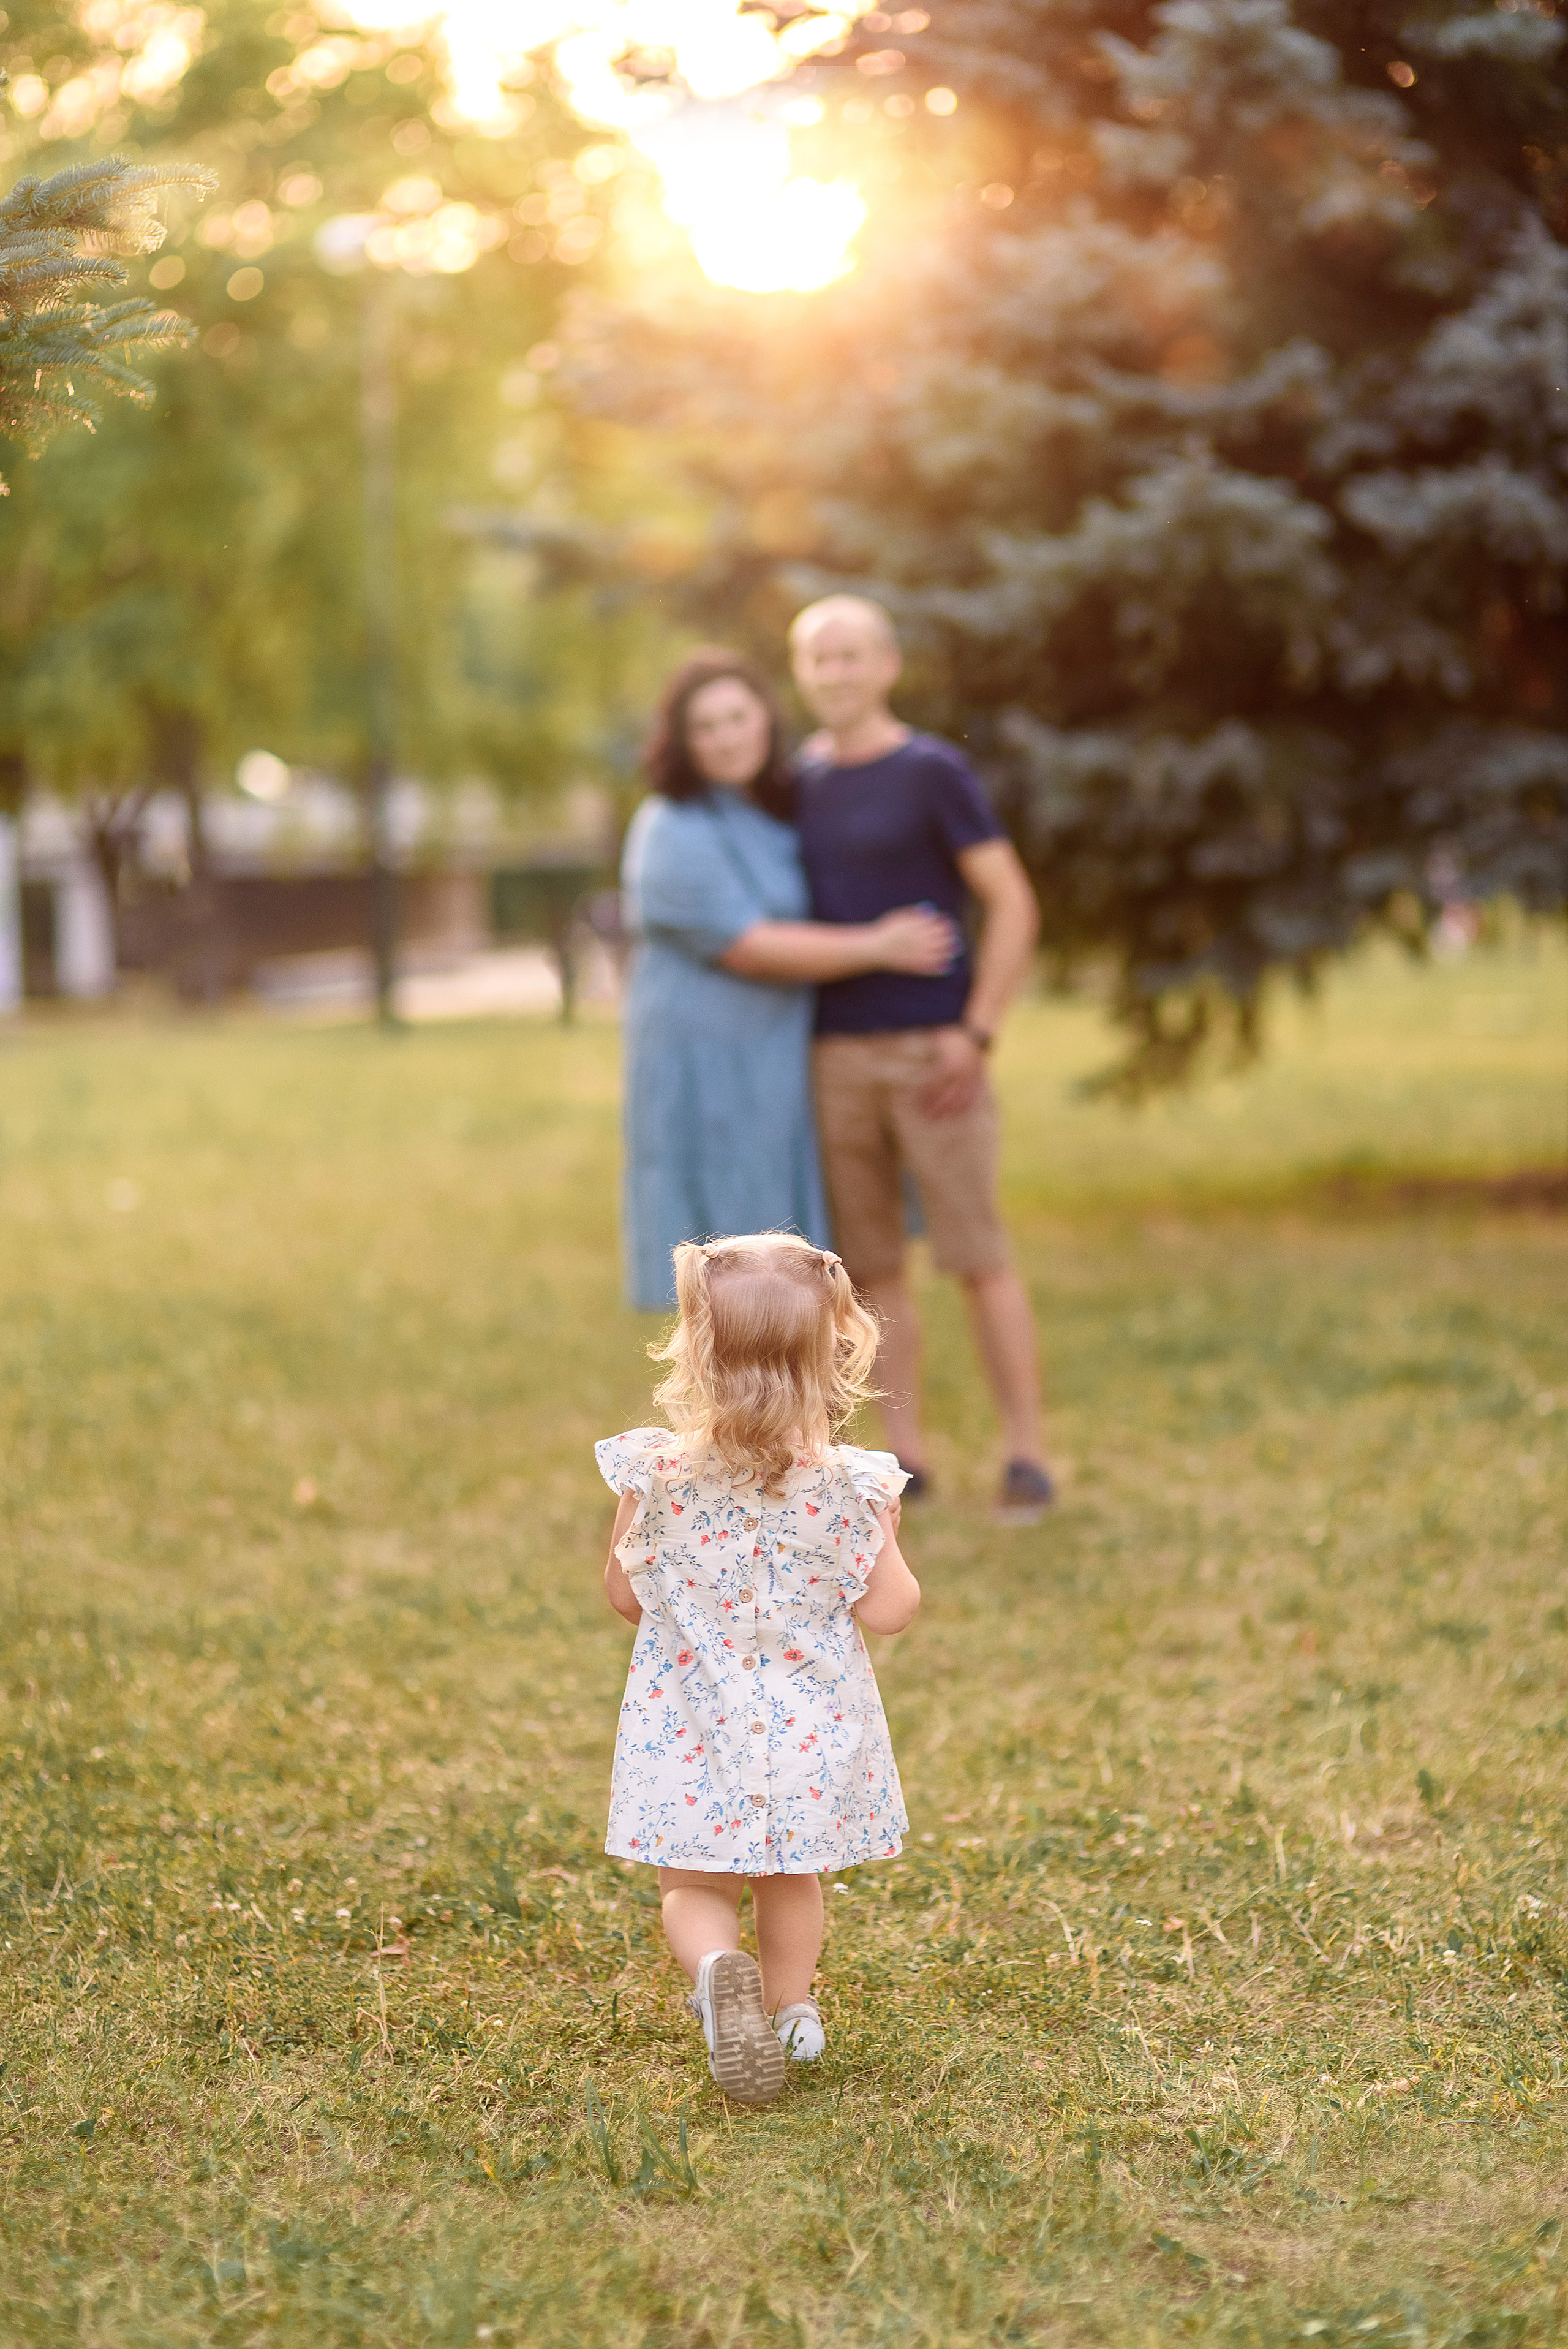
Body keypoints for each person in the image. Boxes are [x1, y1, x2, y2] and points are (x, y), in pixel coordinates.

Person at [597, 1231, 921, 2103]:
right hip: (809, 1730)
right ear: (830, 1355)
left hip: (691, 1718)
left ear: (697, 1352)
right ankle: (793, 2011)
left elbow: (624, 1596)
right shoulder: (855, 1486)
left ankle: (714, 1971)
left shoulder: (655, 1475)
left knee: (693, 1879)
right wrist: (883, 1535)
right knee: (791, 1873)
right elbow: (889, 1611)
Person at [790, 594, 1054, 1521]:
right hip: (831, 1057)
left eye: (852, 655)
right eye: (818, 658)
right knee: (869, 1268)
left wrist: (976, 1031)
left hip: (934, 1057)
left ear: (888, 665)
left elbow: (1014, 903)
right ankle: (905, 1459)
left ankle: (1028, 1453)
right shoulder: (798, 783)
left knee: (977, 1254)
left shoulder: (932, 770)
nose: (836, 673)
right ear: (801, 672)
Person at [619, 649, 956, 1311]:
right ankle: (738, 1411)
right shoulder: (670, 827)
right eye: (705, 727)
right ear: (681, 743)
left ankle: (797, 1406)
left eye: (737, 717)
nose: (725, 738)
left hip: (774, 1059)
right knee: (729, 1269)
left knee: (790, 1262)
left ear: (766, 720)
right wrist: (880, 945)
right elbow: (749, 947)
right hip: (705, 1065)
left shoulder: (773, 812)